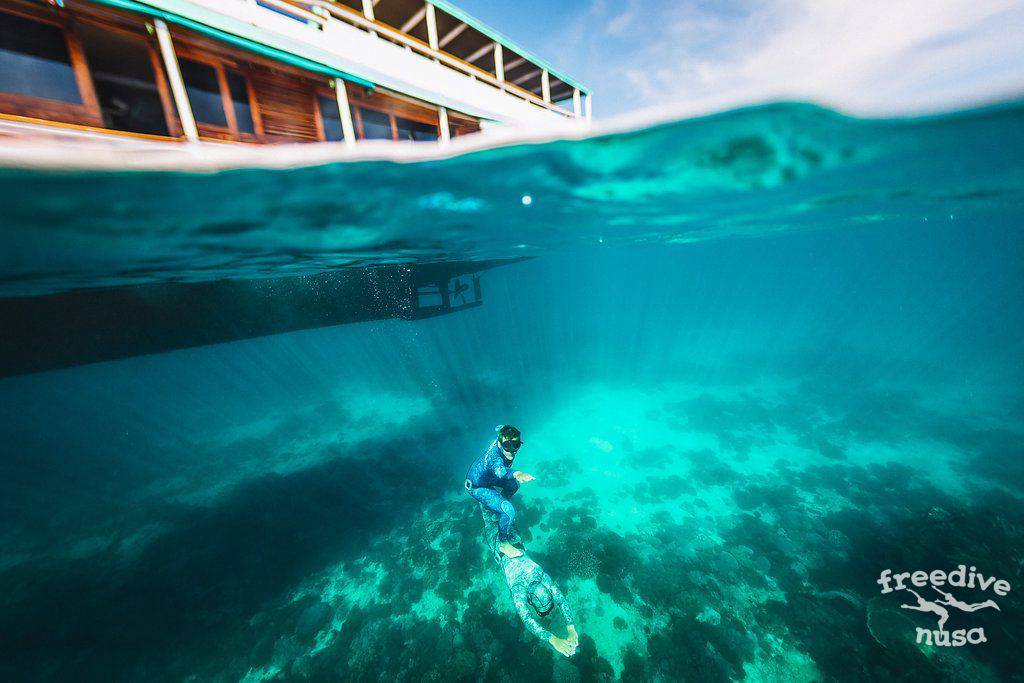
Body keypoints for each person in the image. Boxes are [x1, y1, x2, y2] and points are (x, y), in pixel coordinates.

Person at [487, 518, 579, 657]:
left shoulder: (543, 577)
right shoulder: (518, 590)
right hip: (497, 542)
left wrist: (571, 628)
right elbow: (528, 620)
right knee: (487, 508)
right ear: (530, 600)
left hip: (515, 540)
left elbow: (561, 600)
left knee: (503, 509)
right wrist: (553, 639)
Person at [466, 425, 535, 558]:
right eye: (507, 446)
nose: (512, 450)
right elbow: (500, 471)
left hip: (488, 478)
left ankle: (498, 508)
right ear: (499, 443)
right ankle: (503, 544)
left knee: (514, 486)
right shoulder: (494, 459)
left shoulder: (502, 436)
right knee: (509, 511)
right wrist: (518, 473)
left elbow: (501, 428)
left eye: (516, 445)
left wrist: (502, 427)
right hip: (477, 486)